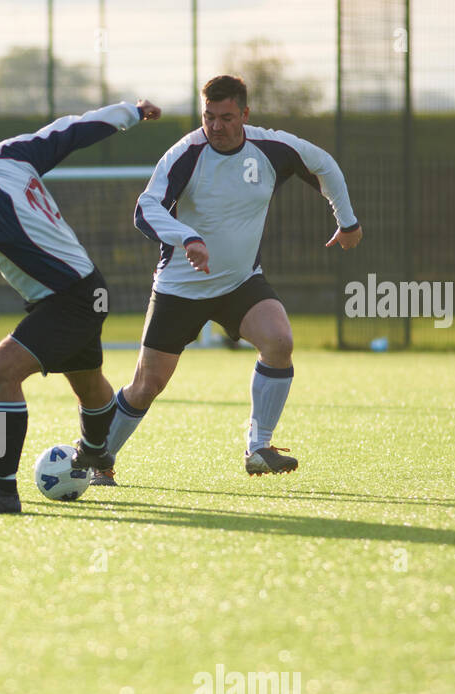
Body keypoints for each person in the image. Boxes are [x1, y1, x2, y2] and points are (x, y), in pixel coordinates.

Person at [93, 74, 362, 486]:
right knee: (147, 385)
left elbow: (324, 165)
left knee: (279, 341)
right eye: (208, 116)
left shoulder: (271, 148)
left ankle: (259, 448)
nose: (215, 126)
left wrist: (347, 222)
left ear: (245, 115)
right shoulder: (187, 152)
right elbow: (145, 209)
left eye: (226, 117)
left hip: (240, 283)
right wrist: (188, 238)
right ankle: (97, 459)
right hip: (180, 289)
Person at [0, 98, 163, 514]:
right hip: (86, 289)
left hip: (68, 300)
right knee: (88, 382)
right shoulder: (11, 154)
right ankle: (97, 450)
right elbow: (72, 129)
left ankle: (1, 489)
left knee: (2, 369)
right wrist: (131, 111)